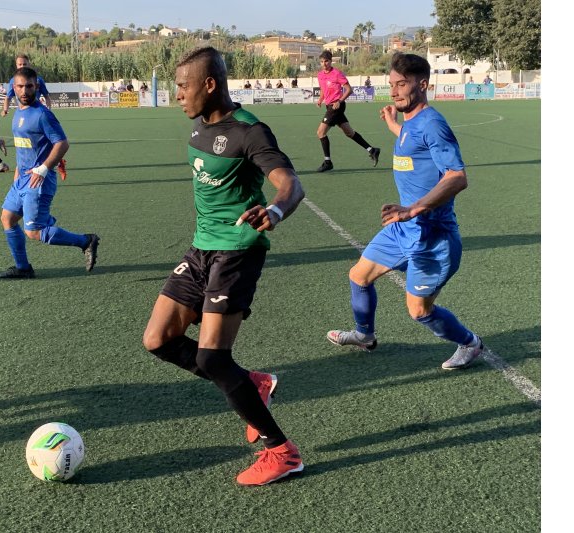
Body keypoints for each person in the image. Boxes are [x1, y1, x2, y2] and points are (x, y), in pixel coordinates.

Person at [142, 46, 306, 486]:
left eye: (183, 86)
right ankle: (253, 384)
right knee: (158, 339)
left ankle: (282, 452)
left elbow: (291, 184)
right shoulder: (197, 129)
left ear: (209, 85)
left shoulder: (250, 132)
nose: (177, 95)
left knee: (214, 357)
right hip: (201, 250)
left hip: (237, 251)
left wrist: (273, 212)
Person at [326, 52, 483, 370]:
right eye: (391, 85)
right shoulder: (412, 123)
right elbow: (416, 145)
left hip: (432, 238)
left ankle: (469, 343)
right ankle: (364, 335)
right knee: (359, 276)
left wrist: (414, 209)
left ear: (422, 84)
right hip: (403, 229)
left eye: (401, 84)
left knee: (420, 311)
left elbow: (457, 177)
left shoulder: (433, 124)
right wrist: (394, 126)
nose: (394, 91)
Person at [0, 66, 100, 279]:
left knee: (34, 232)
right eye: (20, 86)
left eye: (29, 86)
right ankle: (23, 268)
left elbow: (62, 143)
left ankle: (86, 241)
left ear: (36, 86)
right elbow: (24, 147)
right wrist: (17, 174)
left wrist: (44, 169)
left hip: (39, 180)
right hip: (22, 179)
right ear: (13, 88)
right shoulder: (19, 113)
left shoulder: (42, 114)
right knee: (7, 219)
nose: (24, 91)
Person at [314, 50, 380, 172]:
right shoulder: (320, 75)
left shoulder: (337, 74)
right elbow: (323, 89)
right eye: (322, 62)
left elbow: (349, 90)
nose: (324, 64)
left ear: (331, 61)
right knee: (349, 133)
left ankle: (327, 162)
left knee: (320, 132)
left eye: (326, 61)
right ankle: (372, 150)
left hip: (336, 106)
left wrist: (340, 101)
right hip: (329, 106)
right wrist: (320, 99)